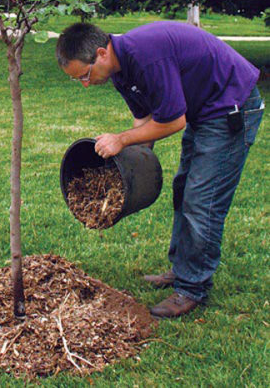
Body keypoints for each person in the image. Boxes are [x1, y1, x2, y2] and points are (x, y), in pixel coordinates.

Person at [56, 21, 264, 318]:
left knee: (202, 199)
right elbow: (145, 121)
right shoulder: (119, 70)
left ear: (101, 53)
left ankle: (192, 288)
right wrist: (124, 171)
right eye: (79, 80)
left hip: (230, 108)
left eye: (85, 75)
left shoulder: (146, 56)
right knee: (183, 189)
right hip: (204, 111)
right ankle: (182, 270)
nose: (86, 84)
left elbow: (173, 121)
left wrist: (121, 139)